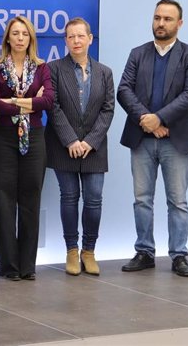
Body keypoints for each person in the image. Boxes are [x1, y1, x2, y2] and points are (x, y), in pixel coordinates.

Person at [117, 0, 188, 277]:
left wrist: (161, 118)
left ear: (179, 23)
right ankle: (144, 251)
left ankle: (179, 255)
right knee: (142, 198)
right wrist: (148, 120)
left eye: (167, 19)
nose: (161, 23)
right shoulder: (137, 53)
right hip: (142, 137)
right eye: (157, 18)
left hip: (176, 139)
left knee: (177, 200)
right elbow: (124, 90)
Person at [45, 17, 115, 277]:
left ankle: (89, 251)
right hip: (64, 146)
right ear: (65, 41)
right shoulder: (53, 69)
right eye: (70, 36)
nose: (76, 41)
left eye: (80, 36)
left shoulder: (105, 72)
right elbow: (53, 107)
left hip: (94, 148)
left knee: (94, 199)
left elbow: (108, 110)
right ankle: (72, 251)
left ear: (90, 39)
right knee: (70, 197)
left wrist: (90, 141)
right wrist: (71, 140)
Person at [0, 16, 53, 281]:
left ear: (31, 39)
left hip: (35, 137)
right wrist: (27, 102)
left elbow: (47, 100)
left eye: (24, 34)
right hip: (3, 137)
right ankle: (9, 267)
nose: (20, 38)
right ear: (7, 38)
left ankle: (27, 266)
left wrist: (12, 100)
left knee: (30, 199)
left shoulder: (41, 67)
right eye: (15, 33)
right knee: (3, 201)